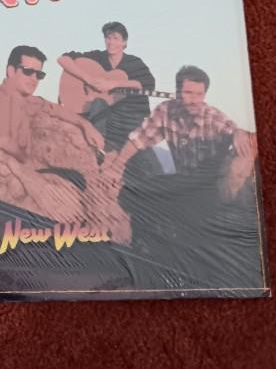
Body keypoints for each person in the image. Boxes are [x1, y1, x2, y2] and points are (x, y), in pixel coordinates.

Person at [102, 66, 257, 276]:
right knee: (134, 193)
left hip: (209, 185)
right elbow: (138, 139)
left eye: (199, 94)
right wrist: (116, 167)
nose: (194, 100)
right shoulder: (165, 111)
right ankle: (144, 248)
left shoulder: (213, 117)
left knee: (199, 220)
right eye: (188, 93)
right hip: (184, 179)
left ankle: (201, 258)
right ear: (177, 92)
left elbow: (236, 133)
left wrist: (239, 132)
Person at [0, 45, 105, 161]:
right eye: (28, 71)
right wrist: (29, 160)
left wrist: (85, 124)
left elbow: (51, 108)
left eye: (39, 75)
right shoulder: (6, 97)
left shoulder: (23, 99)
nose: (34, 78)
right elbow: (2, 140)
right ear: (11, 71)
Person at [57, 21, 155, 151]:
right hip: (97, 115)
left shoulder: (134, 63)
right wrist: (90, 80)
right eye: (108, 38)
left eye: (116, 38)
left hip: (125, 119)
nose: (111, 42)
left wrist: (114, 84)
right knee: (99, 103)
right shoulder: (97, 57)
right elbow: (63, 59)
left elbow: (148, 84)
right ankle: (98, 148)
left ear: (124, 42)